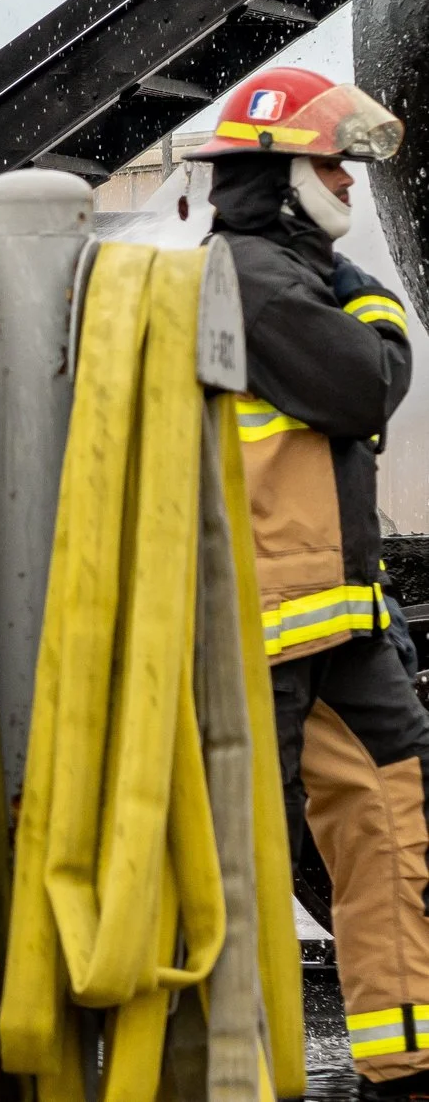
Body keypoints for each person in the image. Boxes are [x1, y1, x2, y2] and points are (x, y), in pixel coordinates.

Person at [189, 64, 422, 1097]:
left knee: (391, 818)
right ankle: (226, 1067)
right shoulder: (252, 278)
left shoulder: (279, 269)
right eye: (333, 164)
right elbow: (360, 378)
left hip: (333, 623)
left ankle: (403, 1052)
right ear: (282, 174)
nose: (350, 184)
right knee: (235, 856)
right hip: (261, 626)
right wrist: (371, 295)